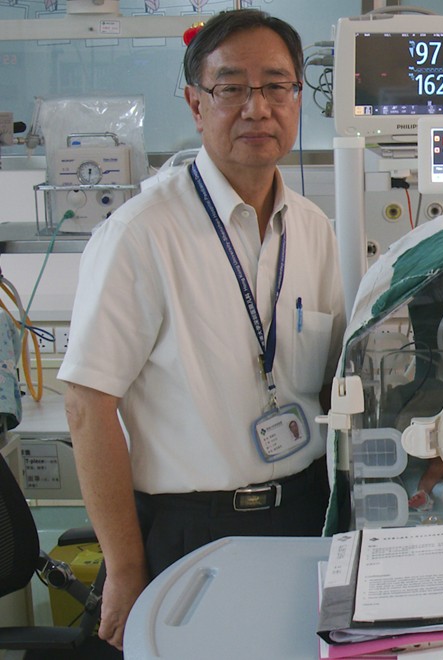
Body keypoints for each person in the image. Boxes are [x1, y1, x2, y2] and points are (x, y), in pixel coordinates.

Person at [58, 9, 345, 651]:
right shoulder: (141, 234)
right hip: (189, 529)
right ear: (195, 103)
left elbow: (333, 383)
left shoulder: (314, 228)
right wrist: (127, 570)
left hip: (305, 514)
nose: (257, 108)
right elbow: (86, 404)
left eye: (276, 86)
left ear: (299, 97)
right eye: (231, 88)